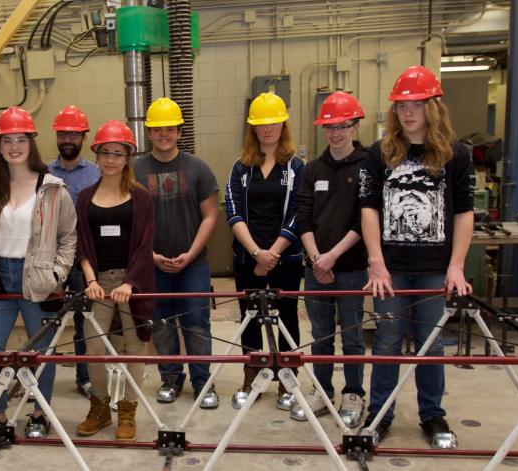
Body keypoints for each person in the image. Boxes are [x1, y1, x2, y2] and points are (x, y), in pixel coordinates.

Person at [359, 65, 475, 449]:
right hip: (390, 270)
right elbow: (369, 209)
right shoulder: (379, 154)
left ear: (433, 107)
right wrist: (376, 261)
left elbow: (464, 213)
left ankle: (432, 415)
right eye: (401, 105)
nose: (408, 112)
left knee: (431, 345)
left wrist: (456, 265)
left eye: (417, 104)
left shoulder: (456, 155)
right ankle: (380, 414)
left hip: (432, 270)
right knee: (388, 342)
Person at [0, 106, 77, 438]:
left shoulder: (52, 188)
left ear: (31, 143)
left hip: (38, 277)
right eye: (7, 140)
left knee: (41, 354)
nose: (14, 147)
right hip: (0, 279)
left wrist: (57, 274)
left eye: (21, 139)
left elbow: (68, 236)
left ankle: (39, 413)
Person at [134, 98, 221, 408]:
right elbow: (132, 220)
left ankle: (203, 382)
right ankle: (170, 378)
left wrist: (191, 253)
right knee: (162, 323)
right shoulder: (136, 170)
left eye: (169, 128)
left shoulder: (197, 168)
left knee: (196, 321)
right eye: (157, 129)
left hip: (193, 264)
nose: (163, 134)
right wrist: (152, 255)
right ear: (149, 133)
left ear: (179, 131)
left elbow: (210, 216)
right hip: (153, 264)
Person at [292, 91, 370, 427]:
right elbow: (303, 216)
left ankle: (353, 393)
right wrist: (315, 258)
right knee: (321, 334)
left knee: (352, 335)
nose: (335, 133)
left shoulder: (369, 165)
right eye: (329, 127)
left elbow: (364, 219)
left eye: (341, 126)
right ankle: (322, 391)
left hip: (351, 267)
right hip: (316, 267)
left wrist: (333, 257)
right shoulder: (313, 170)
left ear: (354, 125)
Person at [74, 120, 155, 441]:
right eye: (105, 152)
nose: (110, 159)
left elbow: (145, 245)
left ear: (127, 157)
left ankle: (128, 411)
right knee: (94, 346)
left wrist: (129, 284)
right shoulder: (84, 198)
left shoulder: (141, 198)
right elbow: (82, 243)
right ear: (96, 154)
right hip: (99, 284)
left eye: (118, 153)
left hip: (131, 283)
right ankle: (100, 409)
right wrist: (91, 280)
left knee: (134, 347)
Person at [225, 92, 304, 411]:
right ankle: (252, 378)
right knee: (251, 318)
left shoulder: (297, 166)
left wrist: (273, 252)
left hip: (286, 258)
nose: (267, 129)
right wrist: (258, 252)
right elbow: (233, 211)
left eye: (273, 122)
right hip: (248, 257)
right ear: (253, 129)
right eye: (261, 124)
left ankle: (288, 381)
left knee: (287, 318)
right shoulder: (240, 168)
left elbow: (300, 211)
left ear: (283, 125)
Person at [47, 105, 101, 399]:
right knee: (45, 321)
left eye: (73, 133)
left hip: (83, 262)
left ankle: (85, 378)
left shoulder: (96, 174)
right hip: (50, 261)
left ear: (83, 136)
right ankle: (41, 377)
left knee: (85, 321)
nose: (68, 138)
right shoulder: (43, 173)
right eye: (63, 133)